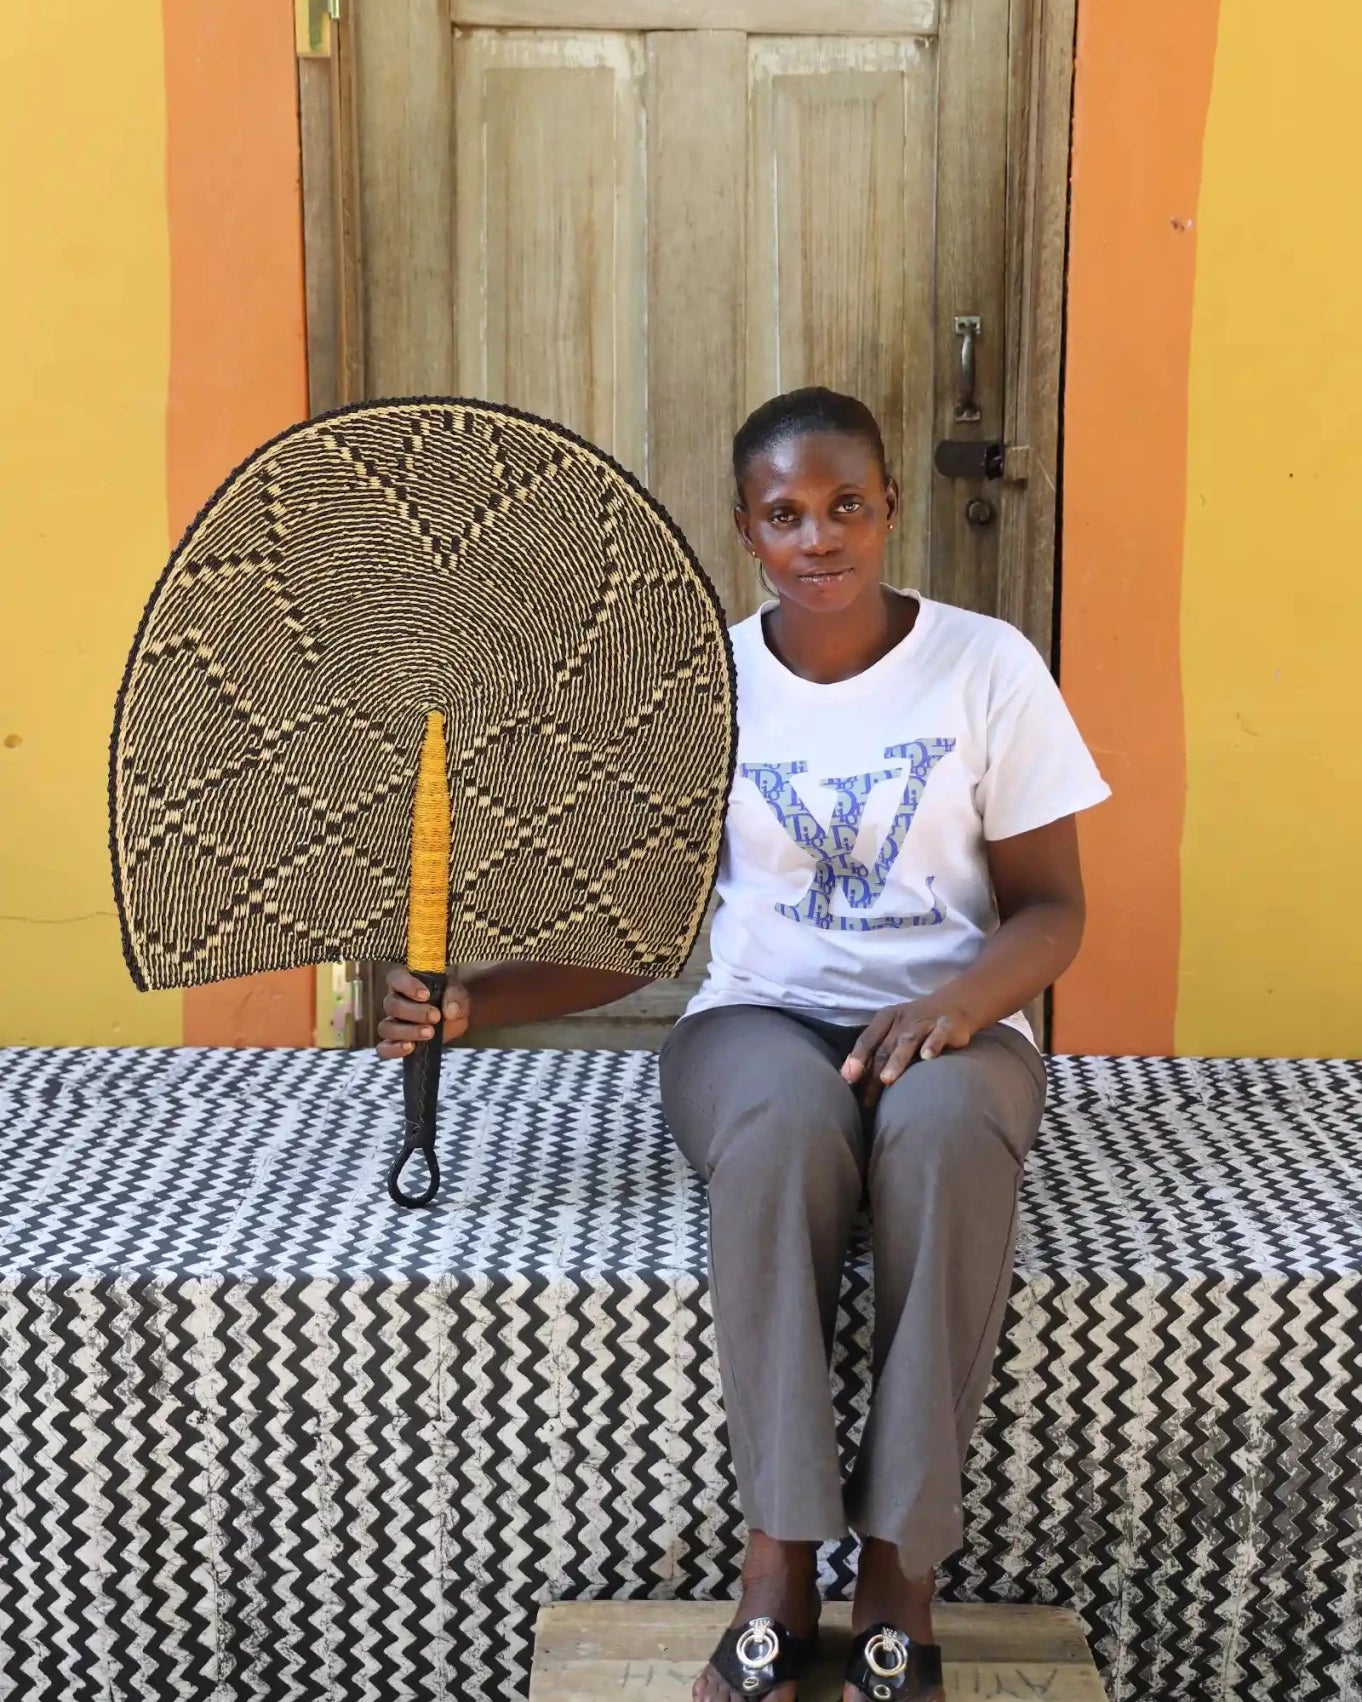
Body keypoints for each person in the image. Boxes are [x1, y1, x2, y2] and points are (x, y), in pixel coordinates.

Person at [378, 388, 1110, 1702]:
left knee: (945, 1137)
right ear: (745, 530)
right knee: (781, 1132)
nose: (818, 536)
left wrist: (956, 1006)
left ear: (889, 507)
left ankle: (900, 1573)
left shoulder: (984, 666)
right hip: (757, 1020)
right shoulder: (702, 688)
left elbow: (1052, 908)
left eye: (846, 506)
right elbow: (645, 933)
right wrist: (476, 1001)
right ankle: (775, 1559)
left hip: (956, 1026)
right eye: (785, 514)